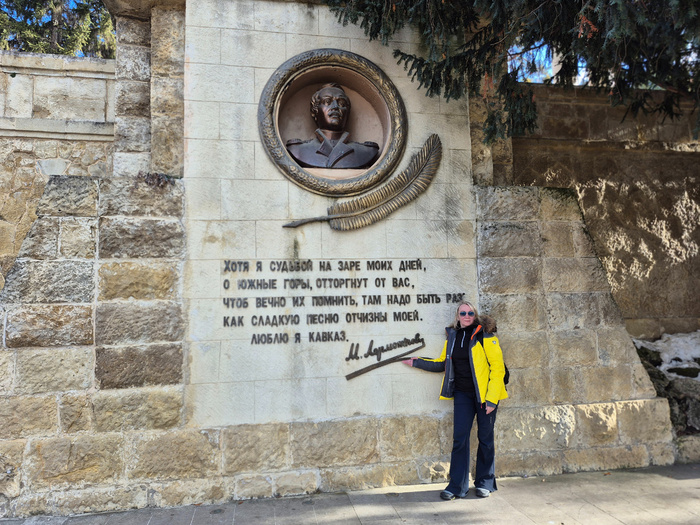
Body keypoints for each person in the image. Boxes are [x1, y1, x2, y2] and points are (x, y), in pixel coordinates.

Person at [403, 301, 507, 500]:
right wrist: (416, 362)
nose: (466, 316)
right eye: (463, 313)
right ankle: (457, 486)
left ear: (474, 315)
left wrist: (492, 399)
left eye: (470, 313)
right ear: (457, 316)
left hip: (486, 395)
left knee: (485, 439)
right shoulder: (452, 337)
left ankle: (485, 482)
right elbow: (443, 363)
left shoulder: (485, 336)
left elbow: (498, 369)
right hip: (462, 394)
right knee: (460, 439)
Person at [286, 83, 380, 169]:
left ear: (347, 112)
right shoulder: (299, 150)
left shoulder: (366, 152)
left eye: (341, 103)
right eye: (327, 101)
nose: (335, 107)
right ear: (315, 110)